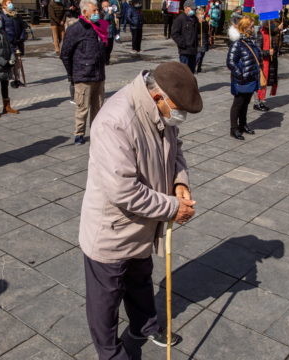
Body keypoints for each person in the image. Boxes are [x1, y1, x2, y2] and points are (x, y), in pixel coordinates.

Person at [79, 61, 200, 360]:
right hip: (113, 229)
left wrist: (179, 182)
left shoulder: (158, 111)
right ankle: (109, 353)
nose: (179, 117)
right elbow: (123, 190)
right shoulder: (115, 121)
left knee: (140, 278)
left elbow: (175, 148)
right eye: (177, 109)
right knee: (105, 299)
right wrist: (173, 208)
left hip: (145, 222)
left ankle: (143, 326)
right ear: (158, 98)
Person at [60, 0, 107, 145]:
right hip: (83, 75)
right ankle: (79, 134)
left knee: (98, 107)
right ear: (84, 12)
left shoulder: (99, 26)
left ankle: (96, 131)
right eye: (94, 11)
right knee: (83, 108)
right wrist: (72, 74)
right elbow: (65, 54)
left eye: (97, 10)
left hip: (98, 74)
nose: (97, 13)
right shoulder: (75, 29)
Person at [227, 15, 260, 140]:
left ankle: (243, 125)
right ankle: (233, 128)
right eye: (251, 26)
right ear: (245, 27)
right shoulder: (237, 43)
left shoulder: (251, 41)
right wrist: (240, 74)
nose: (253, 28)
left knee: (246, 103)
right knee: (238, 103)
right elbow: (230, 62)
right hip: (241, 79)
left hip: (251, 78)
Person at [254, 19, 281, 111]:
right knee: (261, 82)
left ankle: (260, 101)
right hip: (263, 63)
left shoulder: (271, 33)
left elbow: (275, 37)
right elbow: (257, 51)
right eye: (271, 23)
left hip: (270, 62)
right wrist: (267, 52)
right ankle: (257, 103)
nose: (273, 24)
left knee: (264, 82)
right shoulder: (260, 34)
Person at [171, 0, 198, 73]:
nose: (193, 10)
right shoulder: (180, 19)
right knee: (184, 72)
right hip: (184, 51)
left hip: (193, 50)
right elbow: (174, 33)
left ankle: (190, 85)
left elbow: (197, 33)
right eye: (192, 9)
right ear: (186, 8)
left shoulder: (195, 18)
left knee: (191, 72)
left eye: (194, 9)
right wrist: (183, 43)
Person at [101, 0, 117, 65]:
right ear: (102, 7)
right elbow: (104, 20)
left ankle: (107, 60)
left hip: (111, 32)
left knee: (110, 47)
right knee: (104, 48)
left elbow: (112, 22)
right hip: (104, 33)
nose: (107, 7)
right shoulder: (101, 13)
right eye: (105, 6)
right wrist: (108, 13)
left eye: (108, 6)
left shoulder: (111, 12)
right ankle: (104, 61)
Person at [195, 6, 209, 73]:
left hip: (204, 39)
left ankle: (199, 68)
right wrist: (199, 23)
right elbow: (195, 30)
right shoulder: (195, 21)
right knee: (198, 54)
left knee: (202, 54)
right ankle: (193, 66)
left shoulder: (205, 21)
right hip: (198, 39)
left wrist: (205, 23)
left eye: (202, 14)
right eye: (200, 14)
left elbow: (206, 30)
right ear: (197, 15)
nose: (202, 15)